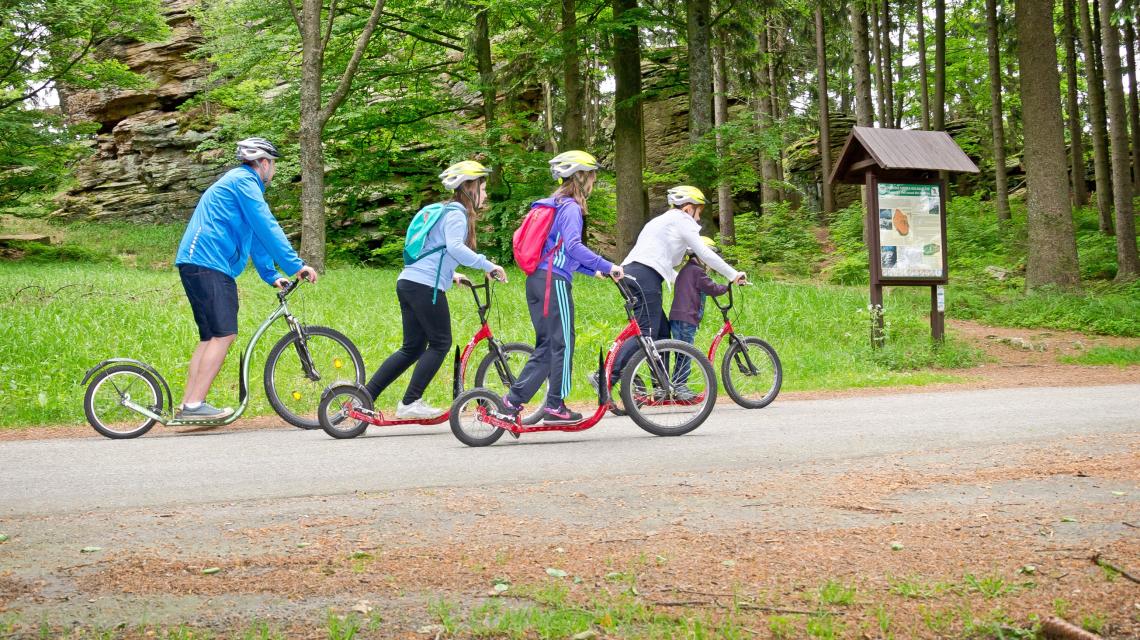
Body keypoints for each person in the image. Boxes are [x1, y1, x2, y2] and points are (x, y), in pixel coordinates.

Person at [174, 137, 318, 421]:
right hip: (209, 262)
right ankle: (194, 405)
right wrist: (295, 265)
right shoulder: (244, 182)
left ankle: (188, 405)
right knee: (224, 334)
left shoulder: (238, 183)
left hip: (196, 262)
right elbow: (266, 224)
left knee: (210, 337)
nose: (273, 170)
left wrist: (271, 274)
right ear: (263, 163)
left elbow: (255, 234)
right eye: (273, 164)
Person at [363, 160, 507, 419]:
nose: (485, 195)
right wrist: (488, 264)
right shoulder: (457, 214)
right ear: (469, 187)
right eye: (483, 189)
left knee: (413, 347)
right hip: (424, 286)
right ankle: (410, 402)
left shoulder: (444, 211)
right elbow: (454, 247)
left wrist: (452, 274)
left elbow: (437, 250)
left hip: (409, 281)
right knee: (441, 342)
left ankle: (365, 396)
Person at [502, 150, 624, 425]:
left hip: (538, 280)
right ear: (580, 177)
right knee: (563, 343)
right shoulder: (570, 207)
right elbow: (573, 247)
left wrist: (592, 271)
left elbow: (560, 252)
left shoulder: (554, 204)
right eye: (591, 176)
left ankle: (512, 401)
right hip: (552, 282)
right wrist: (609, 265)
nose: (593, 181)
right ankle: (555, 405)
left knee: (548, 346)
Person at [601, 186, 746, 390]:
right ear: (688, 209)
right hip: (645, 277)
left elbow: (661, 262)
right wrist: (733, 274)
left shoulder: (660, 222)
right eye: (699, 212)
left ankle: (661, 386)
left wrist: (687, 283)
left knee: (662, 332)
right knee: (646, 332)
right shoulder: (681, 220)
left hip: (635, 273)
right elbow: (704, 252)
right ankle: (605, 377)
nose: (697, 219)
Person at [668, 237, 730, 394]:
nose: (710, 263)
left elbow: (700, 288)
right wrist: (727, 287)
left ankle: (675, 385)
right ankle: (679, 387)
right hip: (686, 319)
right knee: (686, 354)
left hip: (679, 317)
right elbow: (711, 287)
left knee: (682, 353)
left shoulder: (688, 270)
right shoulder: (697, 271)